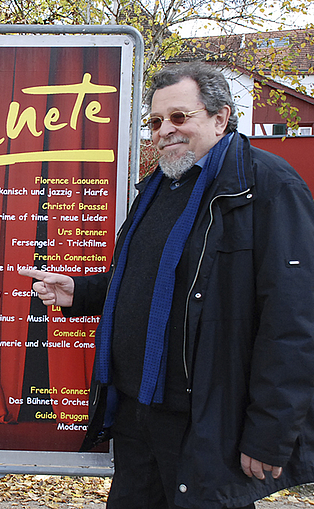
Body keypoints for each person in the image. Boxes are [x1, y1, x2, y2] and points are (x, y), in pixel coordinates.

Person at [20, 61, 314, 508]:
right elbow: (152, 282)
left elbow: (294, 320)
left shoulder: (267, 187)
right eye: (156, 121)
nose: (164, 131)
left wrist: (271, 430)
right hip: (139, 413)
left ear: (220, 118)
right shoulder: (160, 186)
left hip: (208, 423)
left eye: (179, 117)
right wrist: (79, 293)